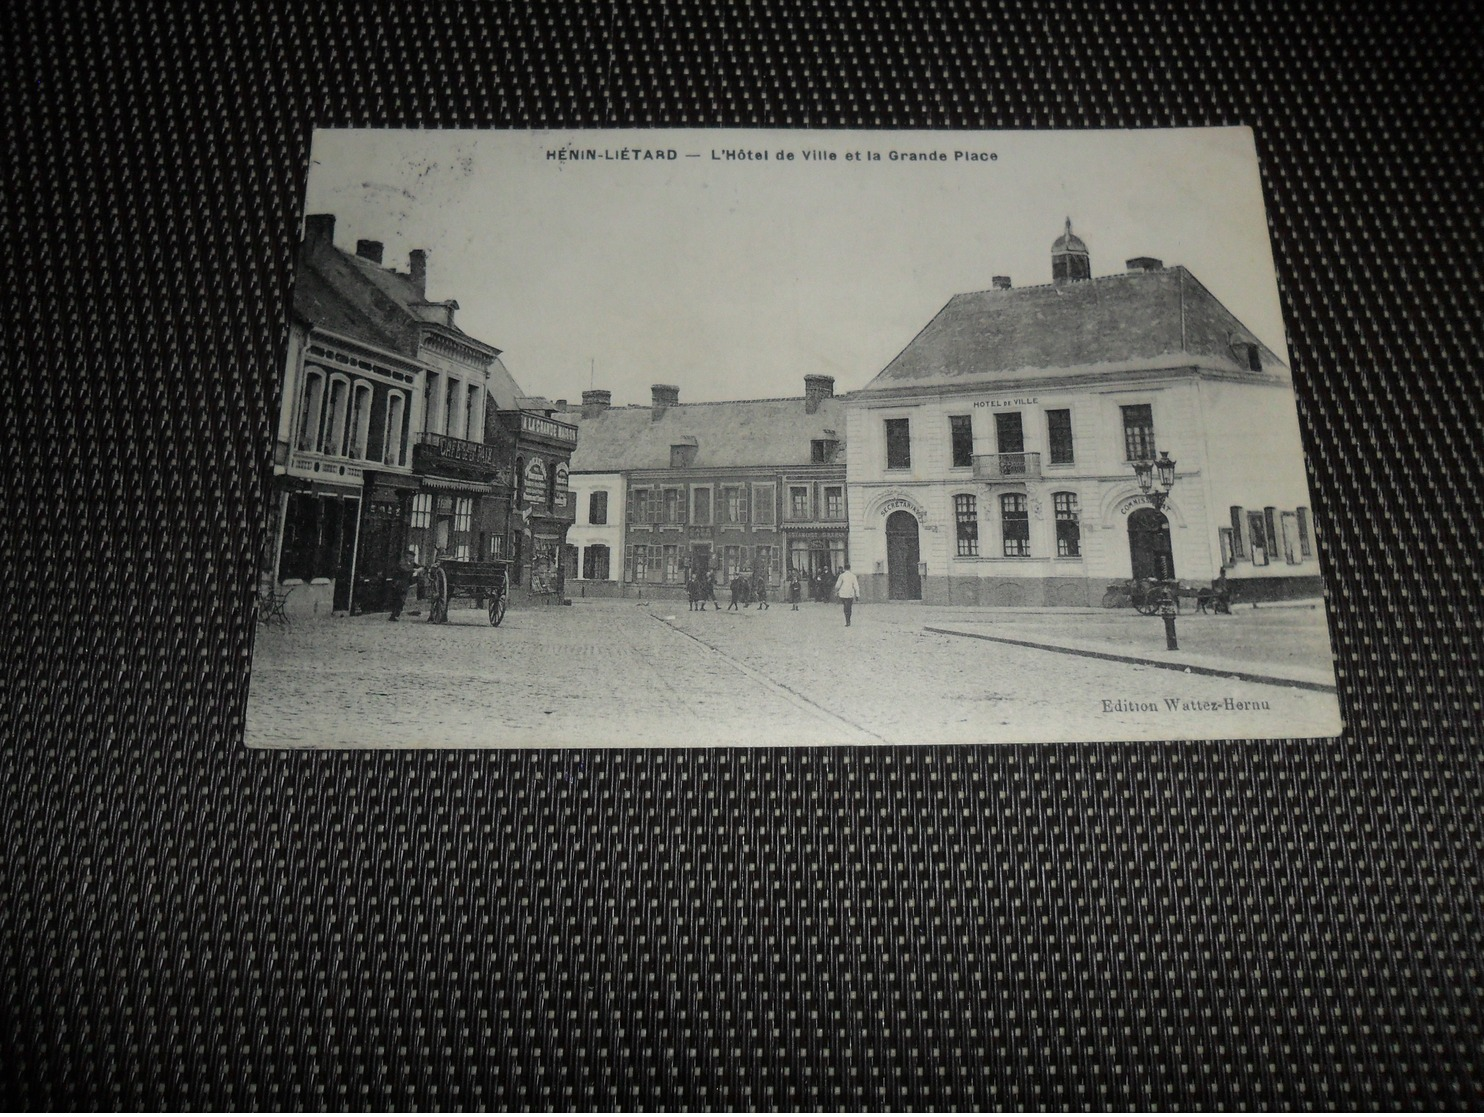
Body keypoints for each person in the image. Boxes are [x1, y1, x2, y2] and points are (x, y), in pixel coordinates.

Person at [388, 545, 422, 621]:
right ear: (407, 556)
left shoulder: (411, 563)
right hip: (399, 584)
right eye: (411, 557)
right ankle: (394, 615)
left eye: (413, 557)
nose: (413, 559)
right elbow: (406, 570)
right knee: (398, 600)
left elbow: (419, 566)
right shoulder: (402, 563)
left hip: (405, 584)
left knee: (401, 600)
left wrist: (421, 568)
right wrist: (415, 570)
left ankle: (395, 614)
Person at [833, 563, 861, 627]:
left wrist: (836, 591)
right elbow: (856, 586)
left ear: (844, 568)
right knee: (849, 607)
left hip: (843, 593)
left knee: (845, 606)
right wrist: (857, 594)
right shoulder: (853, 576)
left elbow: (837, 585)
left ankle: (847, 619)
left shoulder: (842, 576)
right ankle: (849, 620)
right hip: (850, 593)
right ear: (850, 568)